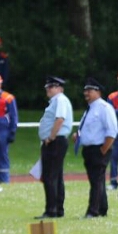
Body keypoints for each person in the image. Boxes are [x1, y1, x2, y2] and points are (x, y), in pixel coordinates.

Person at [72, 78, 118, 218]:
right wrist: (79, 136)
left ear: (98, 92)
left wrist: (103, 150)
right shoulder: (90, 109)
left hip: (99, 149)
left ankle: (93, 211)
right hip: (89, 150)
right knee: (96, 180)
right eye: (85, 90)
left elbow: (112, 131)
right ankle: (102, 208)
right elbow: (90, 129)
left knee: (96, 181)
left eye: (89, 90)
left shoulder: (104, 108)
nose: (86, 93)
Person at [36, 77, 73, 219]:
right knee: (55, 176)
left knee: (50, 176)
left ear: (59, 88)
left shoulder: (60, 100)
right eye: (47, 87)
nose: (48, 89)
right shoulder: (57, 101)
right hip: (55, 140)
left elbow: (59, 119)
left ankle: (52, 210)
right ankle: (56, 209)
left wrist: (51, 137)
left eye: (51, 87)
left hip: (55, 141)